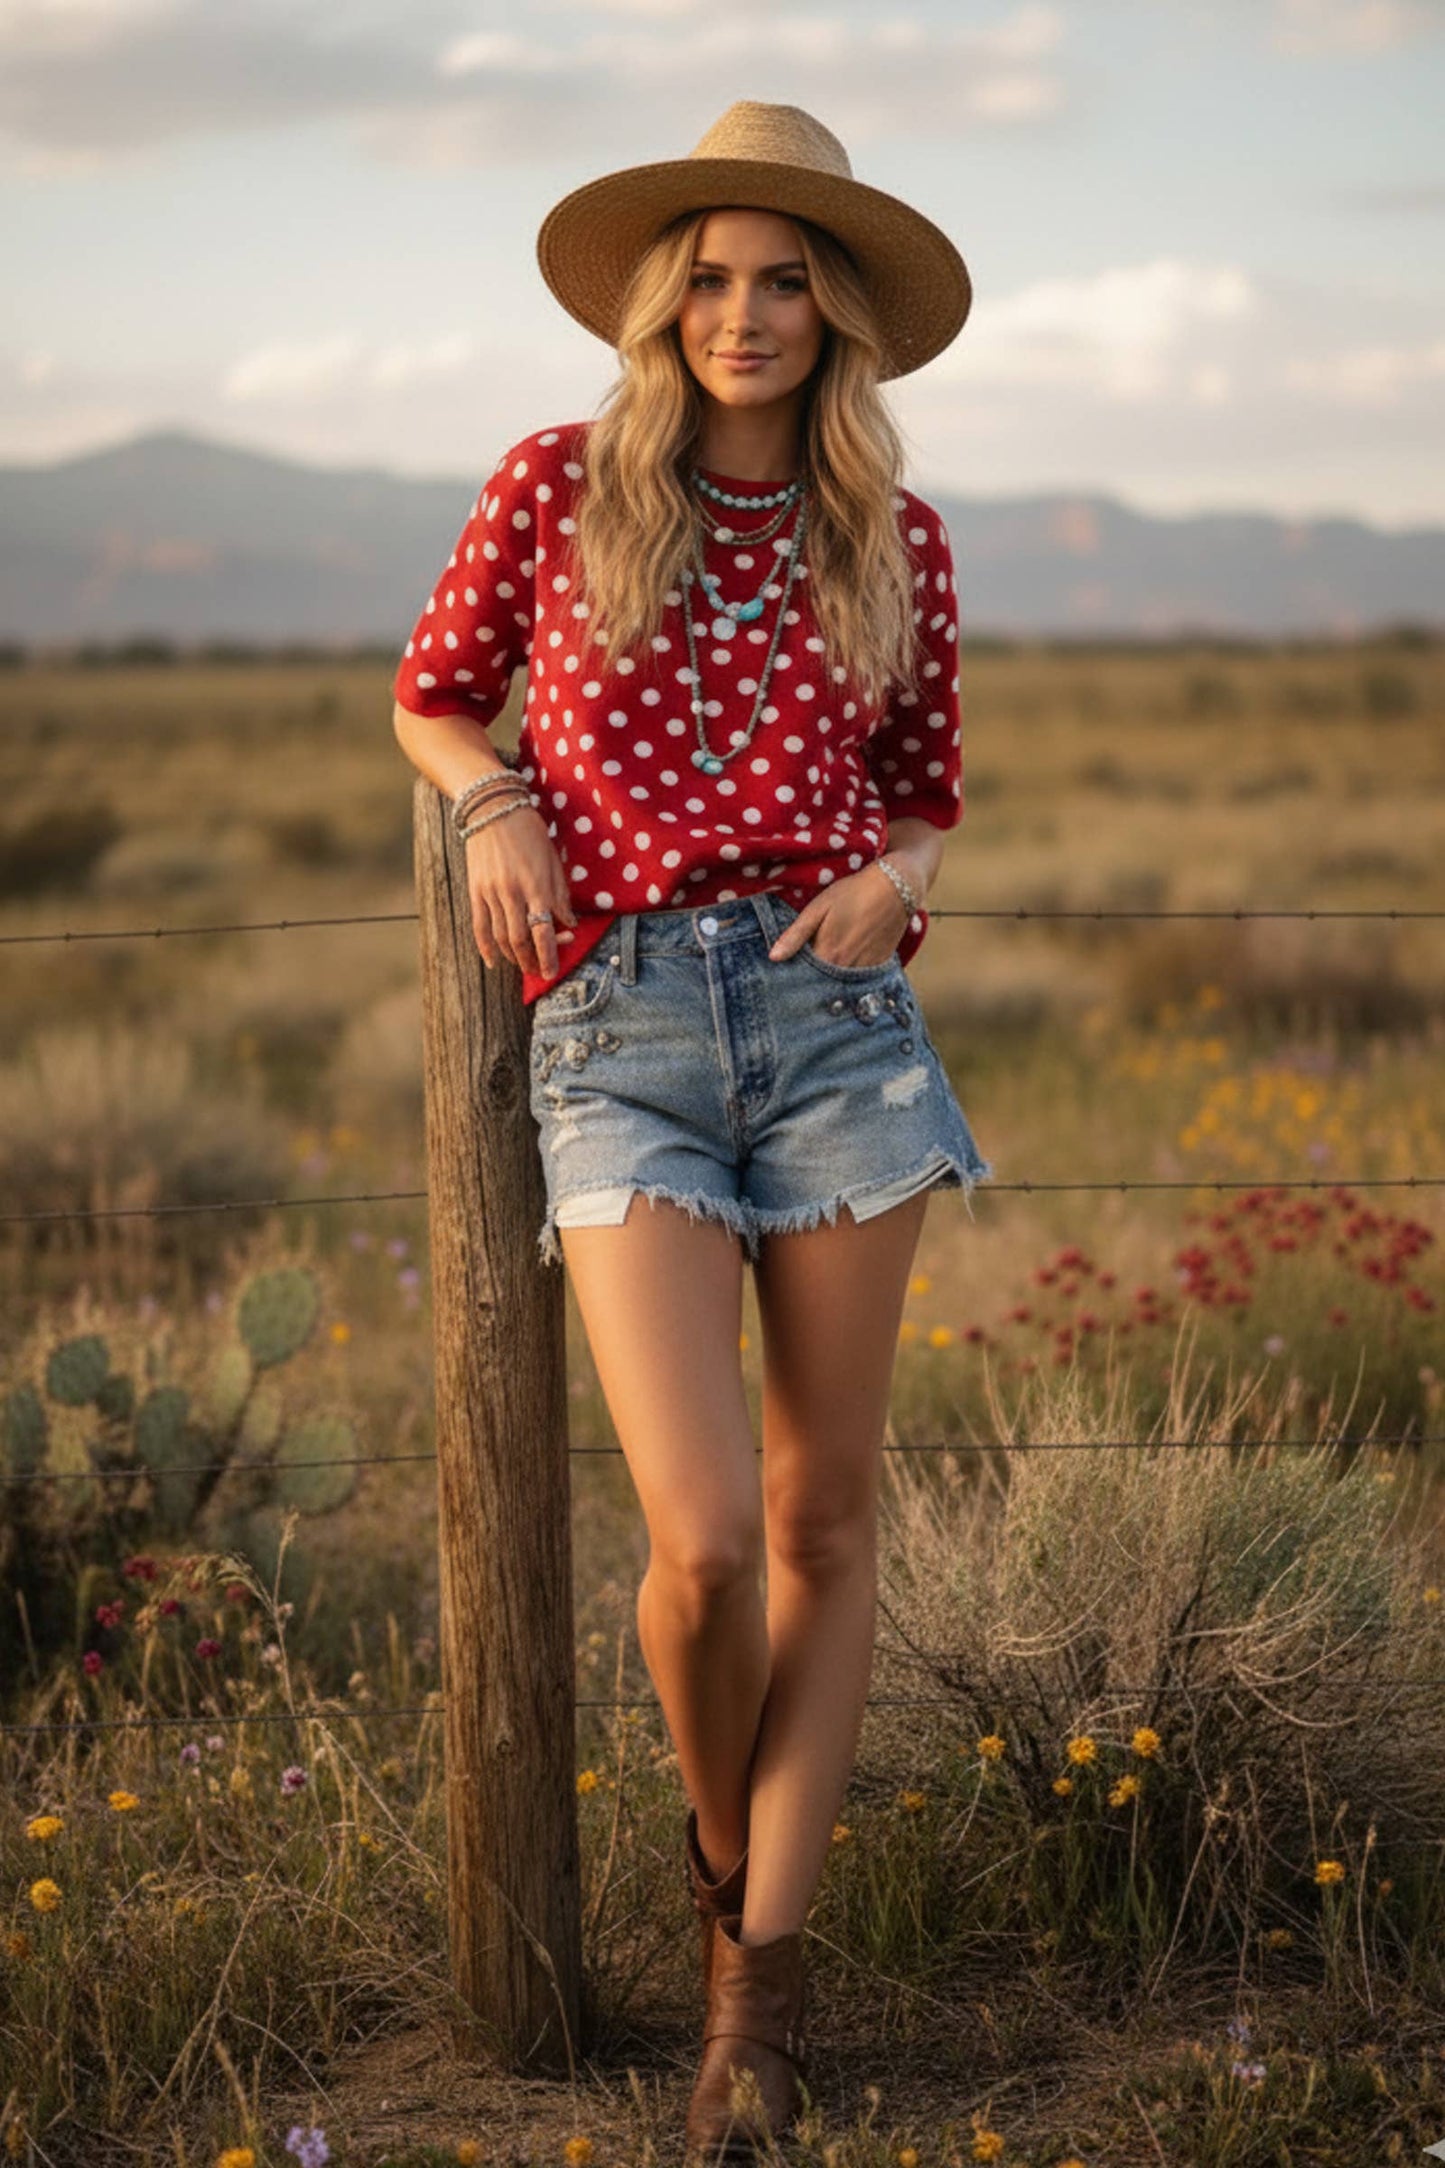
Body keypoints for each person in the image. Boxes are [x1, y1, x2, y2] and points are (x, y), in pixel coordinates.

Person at [392, 99, 992, 2161]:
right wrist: (494, 800)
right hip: (626, 1024)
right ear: (665, 305)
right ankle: (729, 1856)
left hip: (839, 1029)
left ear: (838, 313)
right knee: (706, 1538)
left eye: (788, 276)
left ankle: (760, 1989)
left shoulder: (892, 538)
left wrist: (898, 872)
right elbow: (434, 689)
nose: (747, 310)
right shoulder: (557, 486)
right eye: (713, 276)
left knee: (828, 1523)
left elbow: (927, 780)